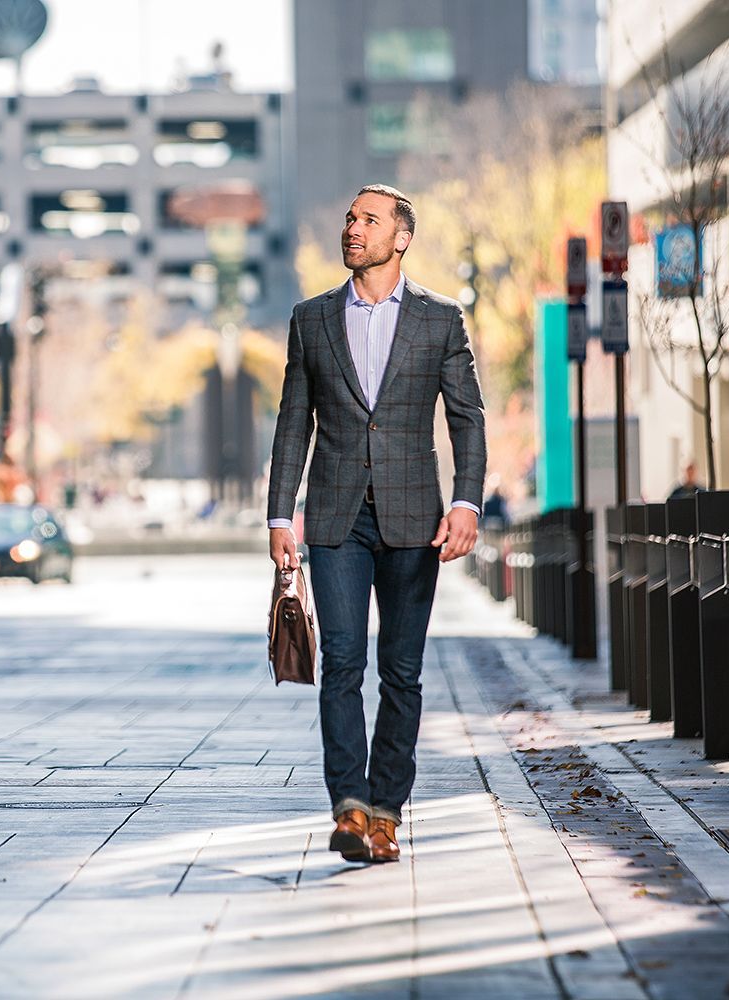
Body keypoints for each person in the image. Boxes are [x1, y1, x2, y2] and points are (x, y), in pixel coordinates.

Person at [267, 184, 487, 864]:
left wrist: (466, 501)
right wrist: (280, 512)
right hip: (333, 519)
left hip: (413, 518)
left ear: (401, 237)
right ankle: (350, 807)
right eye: (349, 219)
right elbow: (291, 423)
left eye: (368, 220)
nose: (353, 228)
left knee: (401, 671)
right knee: (342, 662)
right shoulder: (312, 320)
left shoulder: (439, 319)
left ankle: (387, 811)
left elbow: (467, 417)